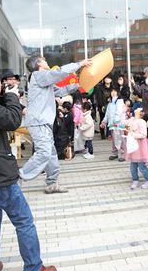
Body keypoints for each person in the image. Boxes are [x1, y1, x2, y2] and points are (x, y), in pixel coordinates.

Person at [0, 64, 56, 271]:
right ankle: (34, 269)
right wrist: (12, 96)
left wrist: (3, 98)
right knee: (24, 221)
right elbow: (11, 120)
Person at [19, 55, 93, 193]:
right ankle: (19, 176)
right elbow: (59, 73)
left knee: (51, 154)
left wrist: (78, 85)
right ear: (39, 64)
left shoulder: (44, 80)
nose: (47, 62)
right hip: (38, 122)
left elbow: (60, 91)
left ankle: (52, 183)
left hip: (44, 123)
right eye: (45, 60)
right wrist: (79, 63)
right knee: (44, 153)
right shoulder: (38, 75)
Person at [125, 107, 148, 189]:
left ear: (141, 114)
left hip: (140, 145)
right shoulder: (132, 119)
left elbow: (144, 134)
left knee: (141, 165)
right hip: (133, 145)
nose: (136, 109)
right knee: (133, 165)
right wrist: (122, 112)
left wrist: (132, 134)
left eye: (139, 109)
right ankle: (135, 180)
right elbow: (123, 122)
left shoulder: (142, 122)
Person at [100, 87, 125, 161]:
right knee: (114, 139)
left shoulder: (120, 101)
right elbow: (107, 114)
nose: (113, 93)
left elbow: (119, 112)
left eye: (115, 91)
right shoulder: (110, 103)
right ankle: (115, 153)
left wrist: (116, 121)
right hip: (112, 124)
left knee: (121, 139)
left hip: (119, 123)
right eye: (112, 92)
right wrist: (104, 121)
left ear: (117, 92)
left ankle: (123, 154)